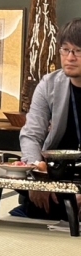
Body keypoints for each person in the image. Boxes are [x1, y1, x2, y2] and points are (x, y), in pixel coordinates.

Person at [19, 18, 81, 218]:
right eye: (65, 50)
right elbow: (31, 134)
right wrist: (38, 173)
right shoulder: (49, 84)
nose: (70, 58)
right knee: (32, 193)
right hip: (59, 170)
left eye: (78, 51)